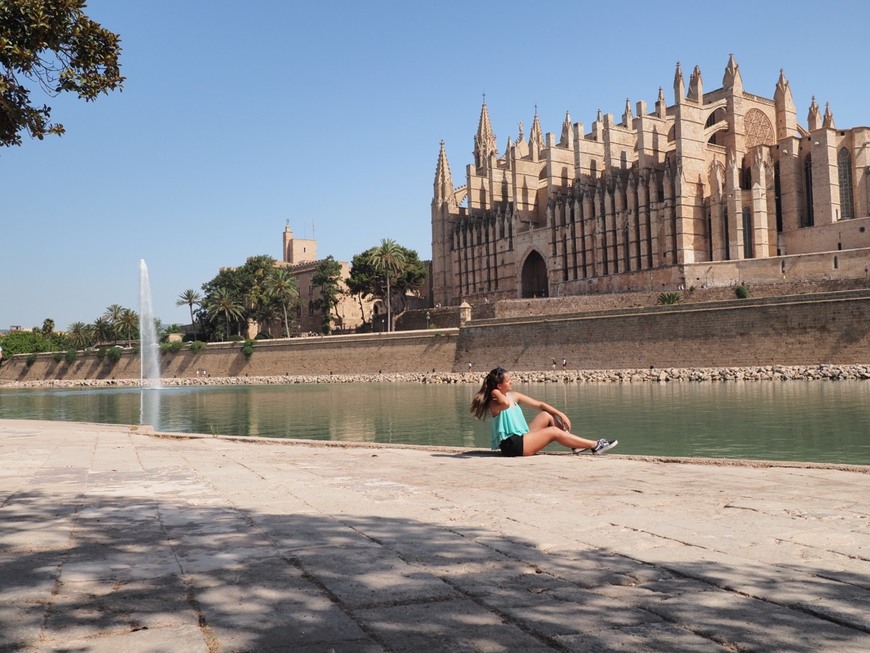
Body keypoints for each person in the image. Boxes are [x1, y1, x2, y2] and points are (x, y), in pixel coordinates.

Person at [470, 366, 618, 457]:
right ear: (499, 386)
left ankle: (575, 445)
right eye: (508, 381)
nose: (511, 382)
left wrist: (560, 413)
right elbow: (504, 404)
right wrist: (494, 391)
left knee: (546, 416)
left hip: (521, 438)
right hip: (512, 446)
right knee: (553, 431)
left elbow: (540, 404)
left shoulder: (513, 396)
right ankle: (595, 445)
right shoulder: (494, 403)